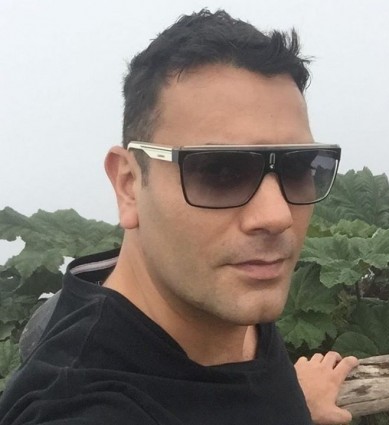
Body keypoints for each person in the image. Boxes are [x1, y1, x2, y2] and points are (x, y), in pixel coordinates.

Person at [0, 9, 358, 425]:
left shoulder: (223, 299)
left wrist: (296, 404)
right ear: (129, 184)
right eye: (221, 172)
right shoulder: (86, 408)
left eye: (298, 167)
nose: (276, 215)